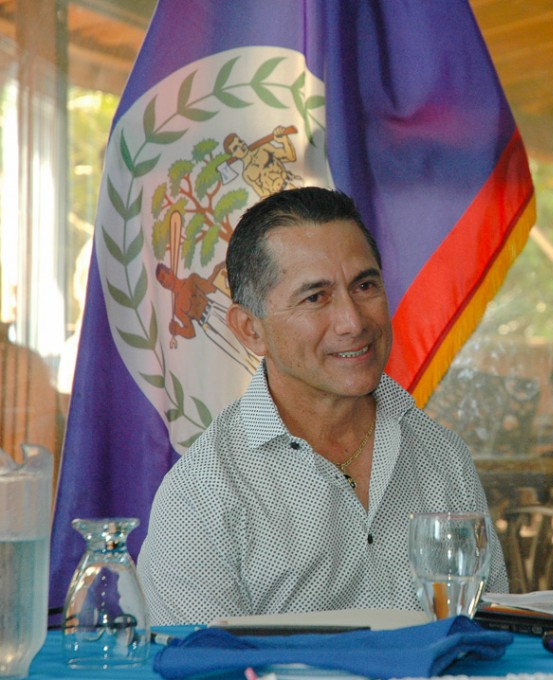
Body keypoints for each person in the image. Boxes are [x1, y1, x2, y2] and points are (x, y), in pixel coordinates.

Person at [138, 187, 508, 624]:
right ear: (250, 329)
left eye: (365, 286)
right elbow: (200, 659)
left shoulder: (441, 456)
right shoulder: (203, 494)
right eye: (316, 297)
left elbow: (490, 635)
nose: (353, 322)